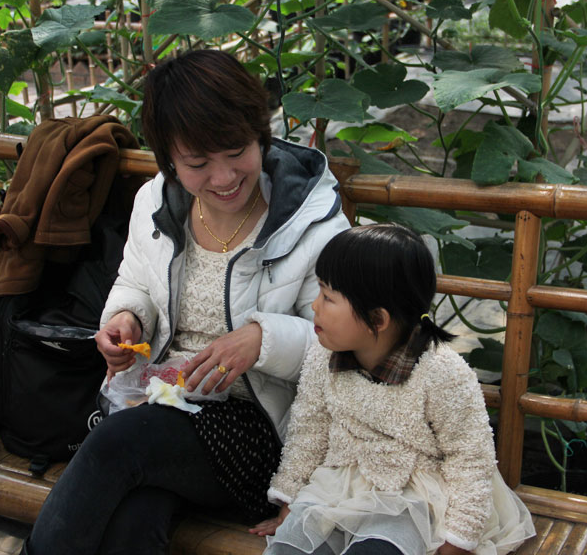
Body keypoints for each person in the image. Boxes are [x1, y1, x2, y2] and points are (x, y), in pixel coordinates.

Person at [23, 49, 351, 554]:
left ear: (260, 135)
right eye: (197, 163)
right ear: (170, 161)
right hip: (161, 407)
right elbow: (134, 280)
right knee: (130, 524)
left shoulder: (314, 223)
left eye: (236, 151)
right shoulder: (155, 202)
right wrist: (127, 320)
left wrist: (263, 341)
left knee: (117, 445)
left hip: (263, 432)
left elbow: (348, 350)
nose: (222, 178)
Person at [249, 224, 536, 555]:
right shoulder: (322, 355)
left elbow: (470, 457)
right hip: (337, 487)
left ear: (377, 319)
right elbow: (308, 431)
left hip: (414, 498)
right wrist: (289, 503)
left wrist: (458, 541)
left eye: (328, 298)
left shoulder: (441, 372)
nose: (314, 306)